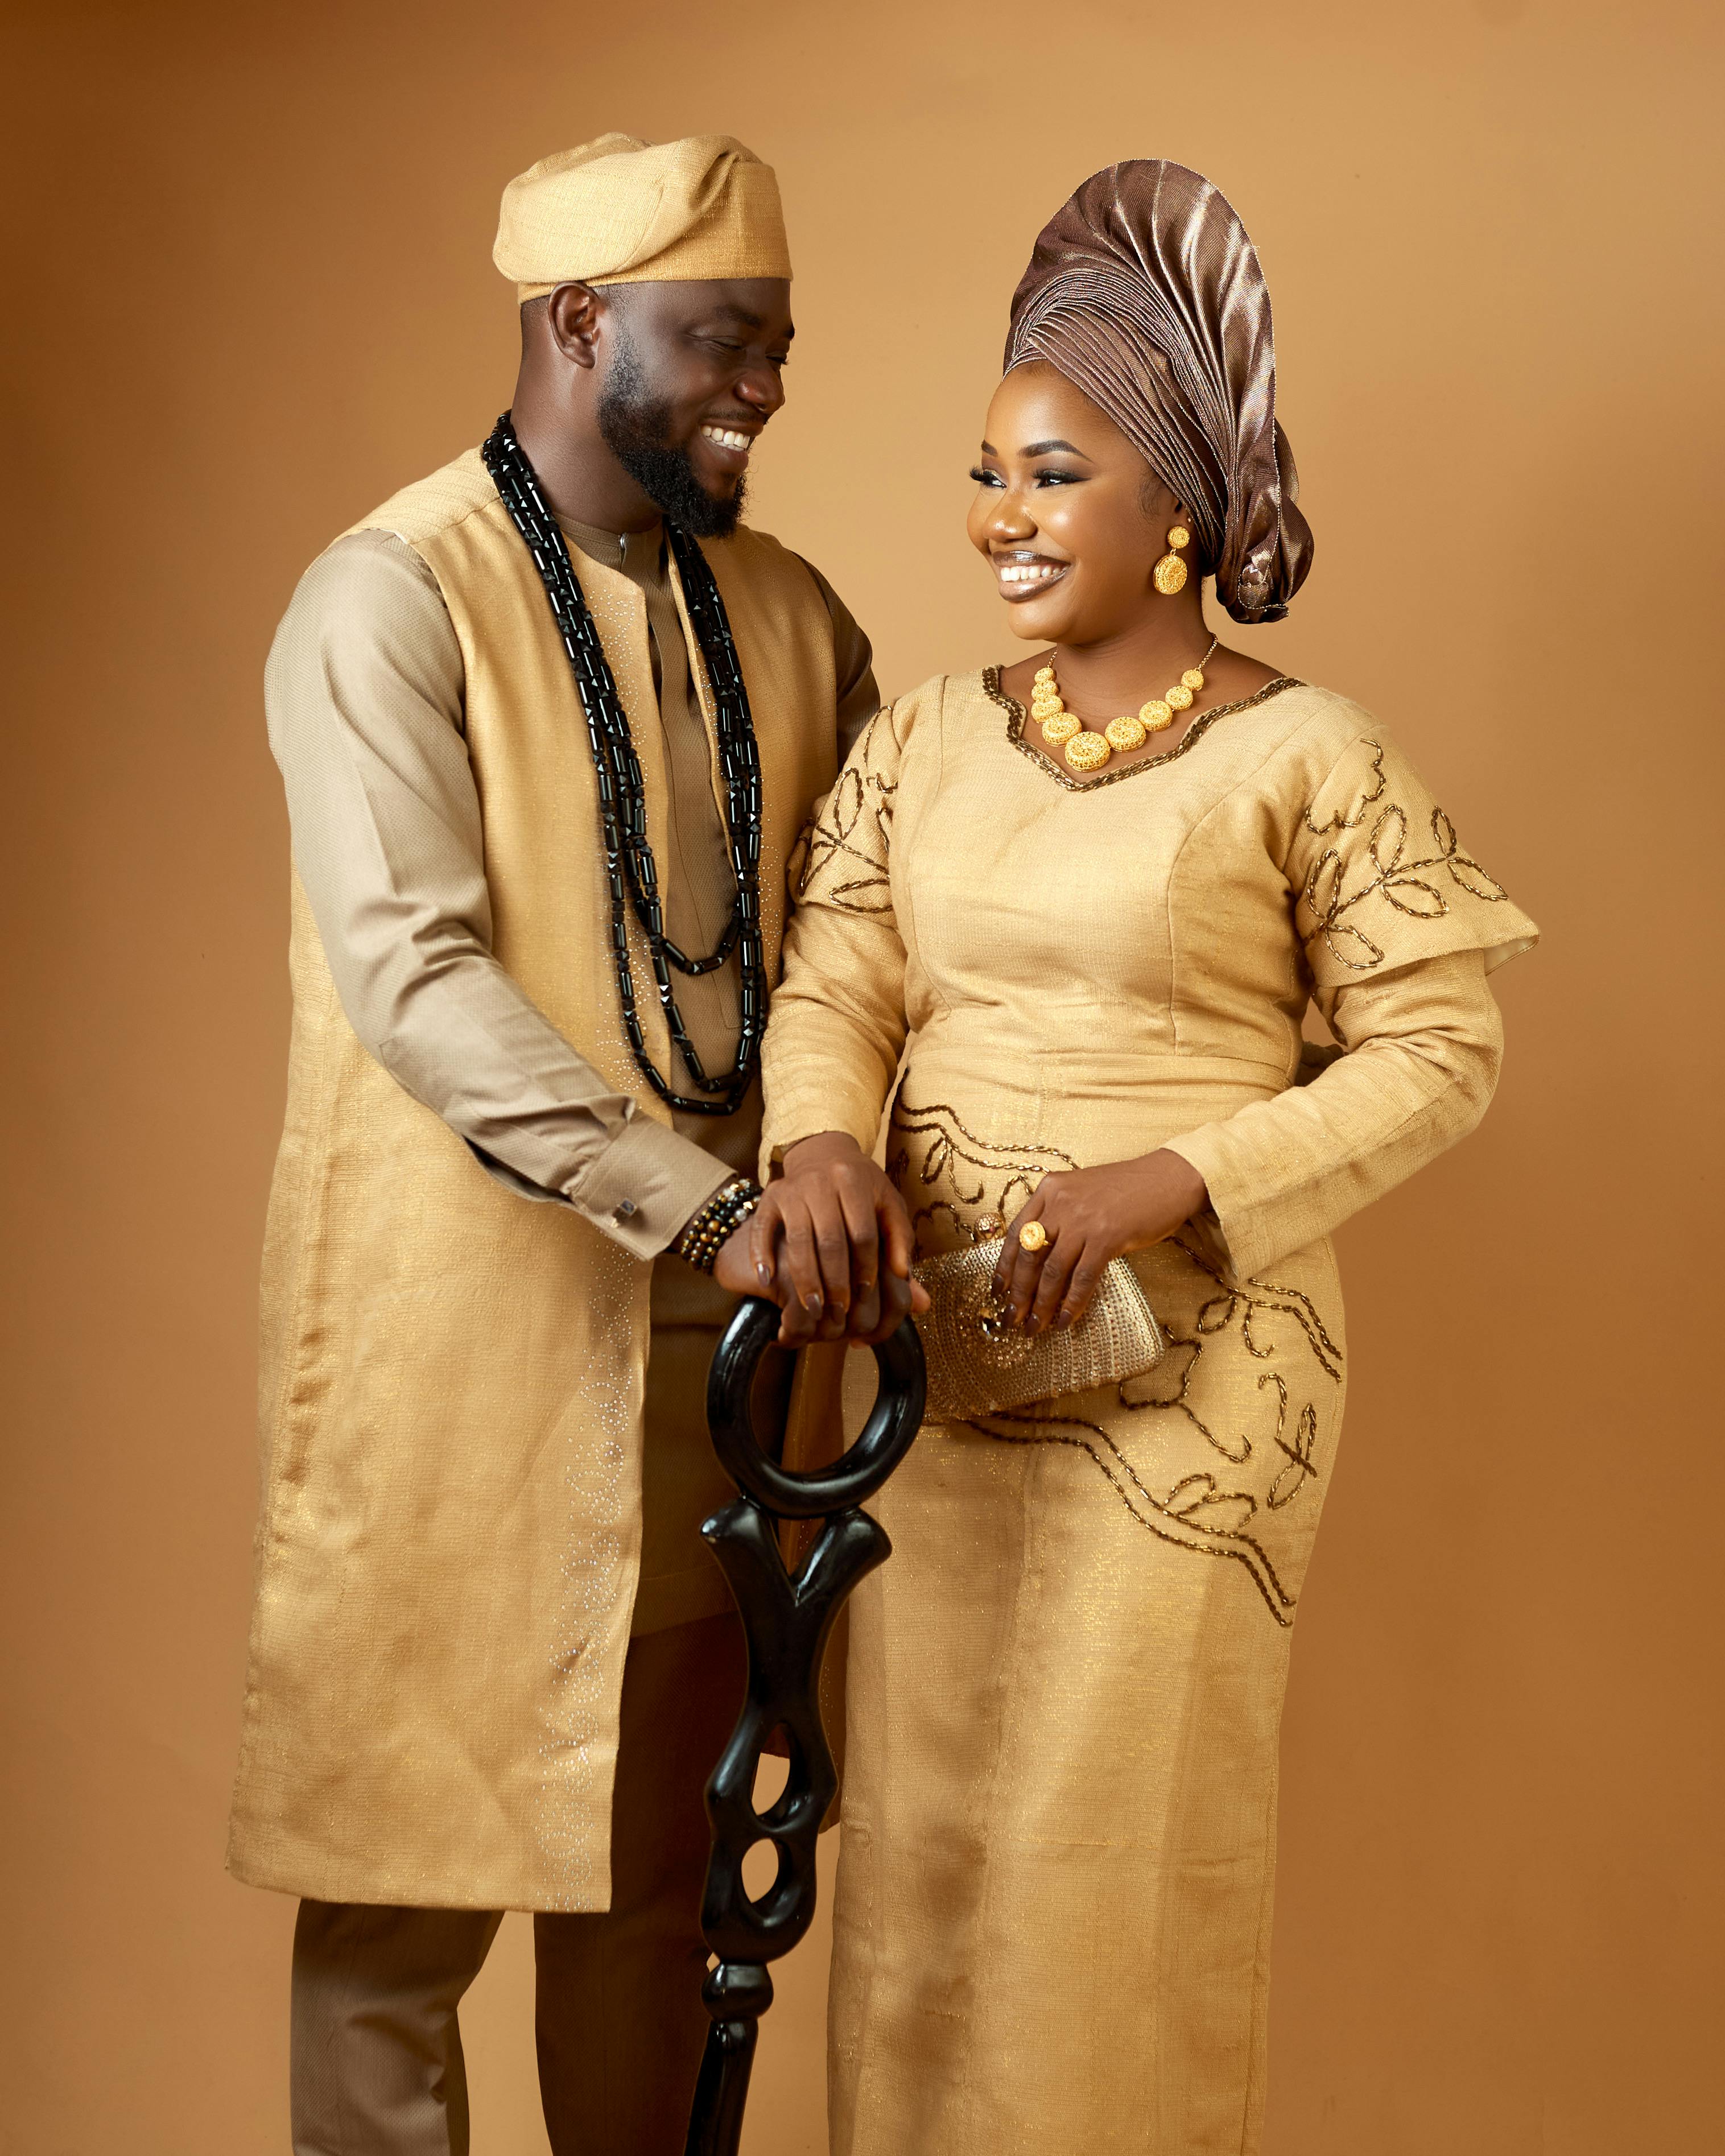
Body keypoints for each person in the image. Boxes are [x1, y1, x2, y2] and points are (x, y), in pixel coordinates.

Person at [749, 160, 1540, 2154]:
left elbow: (1442, 1050)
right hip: (926, 1370)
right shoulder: (923, 737)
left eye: (1055, 476)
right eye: (988, 474)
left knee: (1112, 1868)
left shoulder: (1309, 757)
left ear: (1175, 499)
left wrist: (1170, 1181)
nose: (1003, 519)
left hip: (1187, 1392)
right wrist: (823, 1146)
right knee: (920, 1860)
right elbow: (838, 969)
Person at [226, 132, 917, 2156]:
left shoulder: (792, 615)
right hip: (463, 1359)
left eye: (782, 345)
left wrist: (816, 1147)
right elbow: (419, 983)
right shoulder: (388, 595)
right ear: (580, 319)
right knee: (399, 1911)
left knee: (660, 1892)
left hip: (727, 1367)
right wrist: (716, 1201)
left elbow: (874, 927)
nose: (769, 385)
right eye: (725, 340)